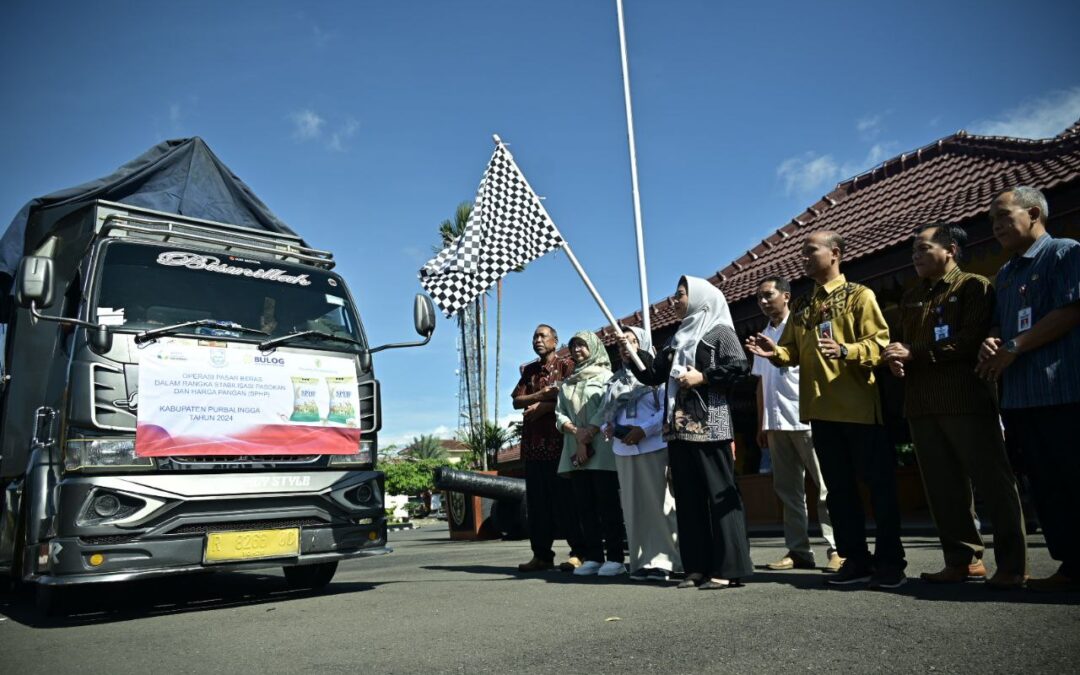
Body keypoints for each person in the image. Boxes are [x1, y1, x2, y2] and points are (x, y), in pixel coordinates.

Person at [746, 231, 906, 590]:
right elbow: (792, 352)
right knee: (838, 491)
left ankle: (891, 562)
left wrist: (846, 351)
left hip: (859, 408)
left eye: (809, 251)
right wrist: (776, 353)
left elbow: (879, 343)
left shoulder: (859, 296)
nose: (803, 257)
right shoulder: (803, 305)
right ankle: (855, 559)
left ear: (834, 254)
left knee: (878, 487)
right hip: (819, 412)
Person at [883, 223, 1027, 589]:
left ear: (950, 250)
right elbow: (903, 343)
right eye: (913, 250)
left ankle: (1011, 565)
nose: (915, 256)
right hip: (921, 403)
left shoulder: (974, 287)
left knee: (994, 483)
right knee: (943, 488)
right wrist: (896, 357)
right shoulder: (913, 296)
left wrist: (914, 353)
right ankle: (962, 561)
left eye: (923, 248)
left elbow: (968, 341)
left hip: (966, 398)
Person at [975, 187, 1080, 593]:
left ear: (1034, 212)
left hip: (1063, 390)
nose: (997, 226)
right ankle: (1070, 564)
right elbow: (1000, 326)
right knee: (1045, 485)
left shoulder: (1065, 253)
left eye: (1003, 216)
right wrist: (992, 340)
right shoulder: (1004, 274)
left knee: (1073, 477)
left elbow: (1070, 311)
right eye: (993, 221)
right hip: (1020, 397)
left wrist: (1015, 347)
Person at [627, 276, 754, 590]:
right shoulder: (676, 338)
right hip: (677, 430)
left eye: (680, 295)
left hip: (710, 426)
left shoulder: (719, 330)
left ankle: (729, 569)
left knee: (719, 495)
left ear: (700, 298)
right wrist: (632, 352)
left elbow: (739, 367)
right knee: (688, 499)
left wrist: (704, 376)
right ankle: (696, 568)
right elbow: (652, 375)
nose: (674, 301)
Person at [752, 275, 840, 573]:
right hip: (776, 423)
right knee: (788, 491)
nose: (764, 302)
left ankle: (837, 547)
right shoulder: (762, 334)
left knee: (826, 487)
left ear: (786, 296)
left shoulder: (803, 326)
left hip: (806, 419)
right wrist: (762, 423)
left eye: (769, 295)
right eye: (760, 298)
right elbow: (761, 384)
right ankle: (798, 549)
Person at [596, 326, 681, 582]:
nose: (626, 348)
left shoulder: (657, 377)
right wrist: (608, 428)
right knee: (633, 508)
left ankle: (665, 561)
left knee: (659, 504)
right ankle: (642, 561)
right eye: (622, 344)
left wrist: (643, 430)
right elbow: (604, 415)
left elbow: (666, 408)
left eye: (632, 342)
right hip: (624, 450)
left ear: (643, 345)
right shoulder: (614, 381)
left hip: (653, 445)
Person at [511, 324, 583, 573]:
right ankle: (541, 555)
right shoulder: (529, 370)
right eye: (535, 336)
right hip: (533, 448)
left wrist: (546, 406)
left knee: (567, 502)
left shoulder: (567, 365)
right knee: (537, 505)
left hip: (560, 445)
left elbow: (573, 396)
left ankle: (579, 553)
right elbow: (516, 400)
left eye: (543, 336)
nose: (538, 339)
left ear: (555, 340)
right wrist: (541, 395)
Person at [555, 331, 627, 577]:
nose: (577, 350)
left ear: (595, 347)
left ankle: (616, 557)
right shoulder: (568, 382)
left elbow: (610, 406)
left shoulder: (607, 377)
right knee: (584, 505)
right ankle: (594, 557)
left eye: (582, 345)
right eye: (573, 346)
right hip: (575, 447)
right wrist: (576, 432)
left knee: (607, 504)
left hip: (601, 447)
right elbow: (559, 414)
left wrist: (589, 432)